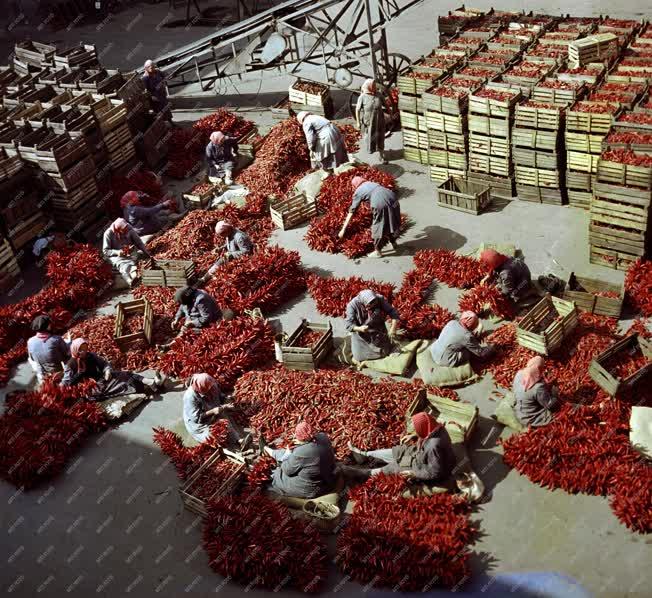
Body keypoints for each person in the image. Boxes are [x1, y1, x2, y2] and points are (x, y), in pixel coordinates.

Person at [349, 412, 456, 483]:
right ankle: (365, 455)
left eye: (416, 430)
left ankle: (368, 473)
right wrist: (414, 435)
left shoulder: (433, 446)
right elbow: (425, 433)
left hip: (424, 466)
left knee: (395, 467)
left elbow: (435, 472)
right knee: (399, 451)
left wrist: (414, 474)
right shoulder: (437, 427)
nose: (415, 432)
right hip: (421, 453)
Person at [61, 338, 166, 399]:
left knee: (124, 374)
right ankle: (149, 384)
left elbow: (104, 363)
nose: (84, 352)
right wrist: (79, 375)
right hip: (92, 390)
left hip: (102, 379)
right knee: (123, 385)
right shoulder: (71, 365)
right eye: (81, 350)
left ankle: (149, 381)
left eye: (85, 349)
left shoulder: (90, 355)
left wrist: (107, 370)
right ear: (75, 350)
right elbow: (66, 384)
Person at [265, 421, 337, 499]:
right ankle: (269, 450)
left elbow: (287, 471)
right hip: (328, 481)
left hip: (311, 489)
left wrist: (287, 456)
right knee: (289, 454)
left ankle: (267, 450)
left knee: (278, 473)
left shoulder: (302, 451)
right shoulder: (323, 437)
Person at [338, 176, 400, 258]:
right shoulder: (371, 183)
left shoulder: (358, 191)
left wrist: (343, 229)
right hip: (392, 197)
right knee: (389, 221)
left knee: (378, 226)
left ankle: (377, 251)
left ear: (355, 185)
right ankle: (394, 243)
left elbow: (352, 211)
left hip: (380, 202)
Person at [345, 289, 400, 362]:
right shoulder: (352, 305)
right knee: (359, 356)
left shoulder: (379, 299)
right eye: (368, 305)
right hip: (361, 335)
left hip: (378, 330)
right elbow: (349, 325)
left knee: (384, 351)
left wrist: (393, 328)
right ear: (362, 302)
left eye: (373, 304)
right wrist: (360, 328)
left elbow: (392, 312)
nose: (370, 307)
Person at [430, 311, 496, 367]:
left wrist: (472, 338)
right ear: (471, 326)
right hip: (443, 359)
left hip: (434, 349)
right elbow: (480, 353)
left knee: (463, 343)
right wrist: (493, 347)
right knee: (469, 352)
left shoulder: (452, 322)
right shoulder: (466, 336)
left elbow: (457, 335)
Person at [183, 373, 235, 443]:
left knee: (226, 424)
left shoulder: (211, 384)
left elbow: (219, 395)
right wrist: (212, 411)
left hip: (214, 410)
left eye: (211, 388)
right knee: (213, 438)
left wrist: (226, 398)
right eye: (207, 391)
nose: (211, 391)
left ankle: (238, 440)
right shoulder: (190, 397)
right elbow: (196, 418)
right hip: (199, 424)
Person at [102, 218, 153, 287]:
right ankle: (130, 280)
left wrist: (148, 253)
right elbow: (106, 251)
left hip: (130, 252)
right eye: (123, 231)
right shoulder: (108, 233)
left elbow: (139, 242)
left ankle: (135, 275)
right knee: (123, 264)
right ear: (117, 229)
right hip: (117, 256)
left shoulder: (129, 228)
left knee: (136, 258)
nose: (125, 232)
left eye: (126, 230)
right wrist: (118, 252)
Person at [513, 356, 560, 428]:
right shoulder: (538, 388)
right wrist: (555, 394)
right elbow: (550, 405)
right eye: (542, 368)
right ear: (539, 369)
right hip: (530, 418)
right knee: (558, 413)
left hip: (518, 411)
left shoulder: (519, 373)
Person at [27, 315, 70, 385]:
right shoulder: (56, 339)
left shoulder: (30, 341)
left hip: (41, 373)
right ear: (47, 327)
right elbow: (66, 353)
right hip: (57, 371)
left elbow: (32, 358)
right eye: (49, 324)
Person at [355, 78, 386, 163]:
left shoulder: (379, 94)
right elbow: (357, 110)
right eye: (373, 85)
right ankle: (371, 149)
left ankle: (381, 155)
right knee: (369, 137)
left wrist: (390, 114)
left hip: (379, 121)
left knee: (381, 138)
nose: (375, 87)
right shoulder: (362, 97)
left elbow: (385, 104)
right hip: (368, 122)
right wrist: (358, 122)